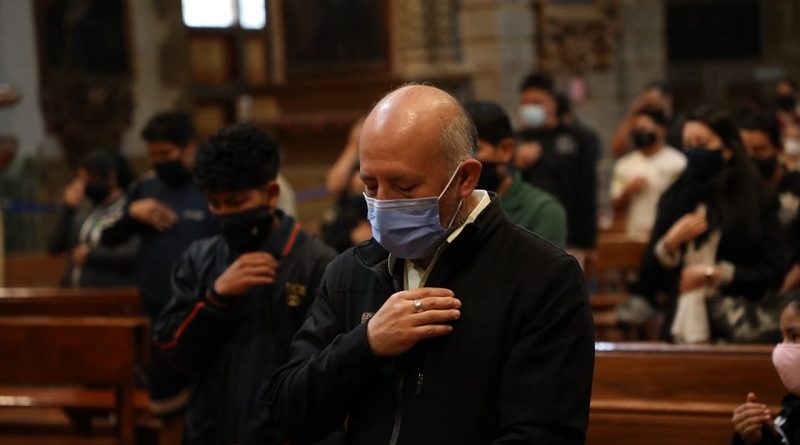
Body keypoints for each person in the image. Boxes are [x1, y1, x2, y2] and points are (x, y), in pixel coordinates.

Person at [267, 85, 594, 444]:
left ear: (465, 178)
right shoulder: (351, 270)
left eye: (404, 187)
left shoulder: (543, 277)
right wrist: (366, 344)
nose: (383, 204)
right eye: (371, 185)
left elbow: (543, 434)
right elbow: (289, 412)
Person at [153, 124, 337, 445]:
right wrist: (215, 299)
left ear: (270, 194)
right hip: (209, 432)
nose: (224, 213)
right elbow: (175, 355)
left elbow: (328, 370)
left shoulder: (318, 263)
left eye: (235, 202)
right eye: (214, 203)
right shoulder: (200, 258)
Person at [635, 106, 786, 343]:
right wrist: (670, 244)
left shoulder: (756, 198)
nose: (694, 152)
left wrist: (713, 274)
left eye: (702, 144)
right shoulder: (675, 197)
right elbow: (648, 280)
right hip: (681, 326)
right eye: (688, 145)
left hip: (739, 323)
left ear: (726, 149)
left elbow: (773, 271)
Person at [101, 111, 217, 415]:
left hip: (204, 315)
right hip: (157, 316)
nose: (159, 161)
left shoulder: (209, 187)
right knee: (164, 410)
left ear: (189, 148)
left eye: (166, 153)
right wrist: (132, 213)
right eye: (153, 155)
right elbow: (106, 236)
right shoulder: (146, 188)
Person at [515, 72, 599, 255]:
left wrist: (588, 242)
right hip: (527, 234)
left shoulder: (576, 139)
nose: (530, 108)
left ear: (552, 104)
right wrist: (517, 164)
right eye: (526, 103)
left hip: (570, 235)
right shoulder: (515, 142)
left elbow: (586, 190)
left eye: (536, 102)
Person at [464, 100, 567, 247]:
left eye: (475, 150)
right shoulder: (449, 210)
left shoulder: (542, 212)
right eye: (457, 152)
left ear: (505, 149)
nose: (465, 160)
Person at [47, 150, 139, 287]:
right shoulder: (84, 211)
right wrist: (68, 210)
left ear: (110, 177)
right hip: (75, 294)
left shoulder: (131, 209)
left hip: (112, 293)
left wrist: (93, 256)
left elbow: (134, 252)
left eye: (89, 179)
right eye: (80, 179)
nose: (84, 185)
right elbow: (53, 247)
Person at [730, 294, 800, 445]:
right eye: (782, 337)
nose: (782, 349)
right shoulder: (793, 408)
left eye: (795, 337)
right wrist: (757, 437)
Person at [611, 108, 686, 242]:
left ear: (661, 130)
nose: (640, 134)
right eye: (637, 130)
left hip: (667, 236)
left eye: (644, 128)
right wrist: (628, 190)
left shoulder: (678, 163)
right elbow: (615, 204)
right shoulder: (624, 164)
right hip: (634, 236)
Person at [610, 81, 685, 157]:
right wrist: (632, 113)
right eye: (649, 104)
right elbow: (618, 149)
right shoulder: (641, 123)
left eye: (656, 102)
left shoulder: (680, 123)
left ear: (668, 99)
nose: (653, 108)